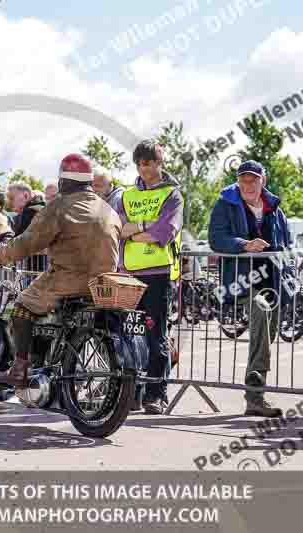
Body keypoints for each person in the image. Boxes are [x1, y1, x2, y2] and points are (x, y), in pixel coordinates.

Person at [0, 153, 122, 387]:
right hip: (103, 284)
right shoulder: (107, 209)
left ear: (63, 181)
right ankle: (47, 360)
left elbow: (29, 241)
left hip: (68, 280)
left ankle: (21, 369)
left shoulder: (59, 206)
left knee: (22, 307)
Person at [209, 160, 295, 418]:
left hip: (274, 281)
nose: (248, 184)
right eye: (243, 179)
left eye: (253, 179)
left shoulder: (275, 209)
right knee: (260, 309)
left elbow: (288, 246)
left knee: (268, 329)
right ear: (238, 181)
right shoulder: (226, 204)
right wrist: (244, 244)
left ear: (262, 181)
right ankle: (255, 390)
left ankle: (256, 391)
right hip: (242, 281)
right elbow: (216, 238)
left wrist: (291, 277)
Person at [114, 139, 183, 414]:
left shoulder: (172, 194)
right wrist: (145, 226)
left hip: (158, 274)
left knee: (156, 335)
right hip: (129, 273)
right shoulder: (127, 195)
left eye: (148, 163)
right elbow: (118, 228)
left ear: (159, 163)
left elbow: (165, 232)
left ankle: (156, 394)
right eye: (139, 164)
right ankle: (133, 393)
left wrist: (136, 230)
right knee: (130, 333)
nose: (143, 169)